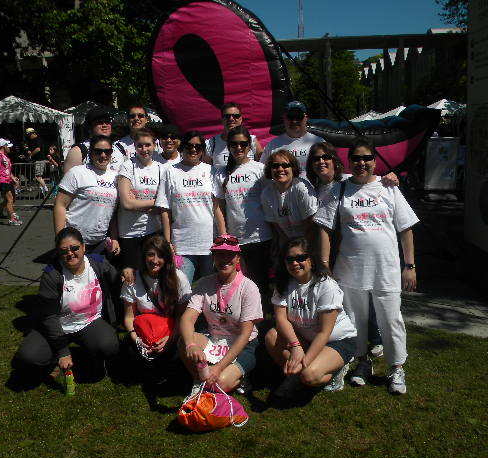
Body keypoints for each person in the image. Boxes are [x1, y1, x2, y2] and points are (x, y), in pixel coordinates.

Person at [314, 136, 418, 395]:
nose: (362, 162)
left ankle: (396, 367)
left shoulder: (389, 188)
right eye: (357, 158)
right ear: (349, 161)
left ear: (374, 161)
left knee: (391, 319)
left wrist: (410, 265)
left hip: (386, 268)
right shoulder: (340, 188)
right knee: (354, 320)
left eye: (367, 158)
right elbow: (324, 227)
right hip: (350, 268)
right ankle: (362, 363)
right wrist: (325, 264)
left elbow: (405, 229)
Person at [13, 227, 121, 380]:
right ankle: (54, 360)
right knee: (28, 357)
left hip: (88, 322)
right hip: (57, 325)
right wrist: (63, 351)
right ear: (58, 253)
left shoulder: (98, 263)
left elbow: (118, 282)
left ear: (83, 247)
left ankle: (91, 357)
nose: (70, 253)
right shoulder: (52, 275)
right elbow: (49, 316)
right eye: (64, 251)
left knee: (109, 345)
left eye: (74, 248)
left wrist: (128, 275)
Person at [265, 237, 357, 400]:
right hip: (305, 339)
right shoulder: (284, 283)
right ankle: (296, 375)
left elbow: (324, 332)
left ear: (311, 260)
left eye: (300, 258)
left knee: (309, 375)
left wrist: (304, 361)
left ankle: (337, 369)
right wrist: (296, 347)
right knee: (272, 336)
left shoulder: (326, 285)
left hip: (337, 340)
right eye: (290, 259)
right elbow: (281, 319)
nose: (295, 263)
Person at [179, 234, 263, 397]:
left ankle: (238, 375)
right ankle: (200, 380)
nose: (224, 259)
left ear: (238, 258)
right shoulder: (204, 283)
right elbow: (187, 318)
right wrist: (191, 345)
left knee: (220, 382)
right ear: (213, 257)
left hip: (243, 344)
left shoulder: (249, 288)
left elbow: (246, 334)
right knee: (184, 341)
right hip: (215, 339)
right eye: (219, 254)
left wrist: (218, 368)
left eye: (230, 254)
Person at [213, 125, 272, 303]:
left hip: (260, 236)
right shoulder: (221, 173)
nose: (238, 148)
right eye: (234, 144)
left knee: (260, 284)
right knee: (237, 285)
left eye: (243, 144)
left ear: (250, 146)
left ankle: (261, 324)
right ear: (228, 146)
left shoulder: (260, 169)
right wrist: (223, 234)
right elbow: (219, 206)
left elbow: (269, 201)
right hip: (235, 239)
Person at [121, 234, 192, 380]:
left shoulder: (179, 278)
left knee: (180, 350)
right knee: (128, 350)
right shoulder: (133, 279)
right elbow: (129, 317)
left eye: (160, 255)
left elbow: (182, 317)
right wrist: (137, 340)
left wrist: (170, 339)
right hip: (144, 333)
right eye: (150, 255)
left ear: (167, 258)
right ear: (144, 256)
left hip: (171, 331)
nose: (155, 260)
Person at [155, 131, 218, 283]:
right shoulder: (170, 172)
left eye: (198, 146)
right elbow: (165, 209)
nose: (193, 149)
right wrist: (167, 242)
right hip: (181, 245)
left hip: (208, 243)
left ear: (203, 149)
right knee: (182, 290)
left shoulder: (210, 170)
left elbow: (217, 207)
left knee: (208, 292)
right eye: (189, 146)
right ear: (182, 147)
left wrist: (222, 238)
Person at [54, 135, 120, 256]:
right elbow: (60, 205)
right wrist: (60, 239)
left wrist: (114, 238)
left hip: (100, 242)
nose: (103, 155)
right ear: (90, 153)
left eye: (107, 151)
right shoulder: (77, 172)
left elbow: (113, 213)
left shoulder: (116, 177)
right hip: (73, 241)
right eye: (98, 151)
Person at [116, 128, 164, 270]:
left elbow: (166, 203)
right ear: (135, 147)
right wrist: (155, 202)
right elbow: (127, 203)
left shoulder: (161, 168)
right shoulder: (127, 166)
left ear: (154, 145)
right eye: (140, 145)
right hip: (130, 233)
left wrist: (138, 203)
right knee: (132, 277)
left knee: (153, 274)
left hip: (153, 231)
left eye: (148, 145)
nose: (144, 149)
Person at [261, 149, 318, 249]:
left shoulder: (301, 187)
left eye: (285, 165)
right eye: (275, 166)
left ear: (293, 168)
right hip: (288, 242)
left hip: (311, 239)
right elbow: (276, 227)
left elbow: (311, 222)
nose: (280, 169)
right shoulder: (267, 193)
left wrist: (302, 247)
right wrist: (288, 247)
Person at [259, 101, 324, 177]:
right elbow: (263, 172)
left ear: (306, 118)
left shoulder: (318, 142)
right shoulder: (273, 145)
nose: (294, 121)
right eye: (290, 117)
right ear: (284, 118)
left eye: (299, 117)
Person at [63, 106, 126, 173]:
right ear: (90, 127)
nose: (104, 125)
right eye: (99, 122)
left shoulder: (120, 148)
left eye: (107, 122)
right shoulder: (79, 151)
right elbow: (69, 180)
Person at [205, 102, 263, 168]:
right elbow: (206, 172)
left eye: (236, 116)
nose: (231, 119)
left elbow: (262, 168)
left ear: (241, 119)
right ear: (222, 119)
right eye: (227, 116)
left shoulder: (251, 140)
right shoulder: (211, 144)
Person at [0, 138, 22, 226]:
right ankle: (12, 218)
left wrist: (13, 178)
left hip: (8, 180)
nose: (9, 148)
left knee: (10, 200)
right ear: (3, 146)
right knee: (9, 199)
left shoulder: (6, 157)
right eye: (7, 146)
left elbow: (7, 170)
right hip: (2, 181)